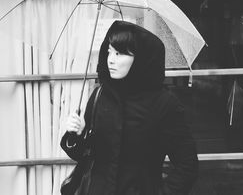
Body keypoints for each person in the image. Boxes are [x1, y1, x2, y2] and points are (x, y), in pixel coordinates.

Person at [60, 20, 199, 195]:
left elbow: (187, 165)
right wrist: (77, 134)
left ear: (140, 58)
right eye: (109, 52)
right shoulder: (100, 95)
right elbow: (85, 156)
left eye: (119, 54)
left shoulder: (164, 104)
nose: (110, 60)